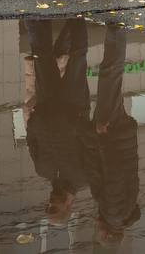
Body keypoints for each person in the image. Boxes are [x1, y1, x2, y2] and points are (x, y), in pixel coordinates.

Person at [24, 17, 92, 227]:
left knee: (41, 56)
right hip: (74, 106)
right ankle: (78, 15)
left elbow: (32, 142)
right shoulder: (84, 177)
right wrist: (73, 124)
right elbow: (91, 142)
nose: (50, 204)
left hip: (46, 104)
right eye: (54, 209)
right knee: (78, 58)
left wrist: (34, 120)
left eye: (47, 207)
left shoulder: (43, 170)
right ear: (67, 208)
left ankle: (35, 16)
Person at [87, 21, 140, 244]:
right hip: (112, 134)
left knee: (111, 79)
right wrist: (103, 137)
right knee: (109, 76)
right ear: (108, 233)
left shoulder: (123, 212)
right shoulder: (114, 212)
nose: (96, 228)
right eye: (99, 234)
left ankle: (116, 32)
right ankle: (117, 31)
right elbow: (113, 171)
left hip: (120, 137)